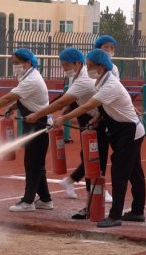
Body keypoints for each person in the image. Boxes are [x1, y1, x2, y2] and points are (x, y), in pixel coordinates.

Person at [52, 49, 146, 227]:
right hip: (120, 129)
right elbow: (103, 107)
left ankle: (115, 215)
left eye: (90, 66)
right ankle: (137, 211)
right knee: (134, 173)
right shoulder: (100, 82)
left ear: (102, 66)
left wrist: (64, 118)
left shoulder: (109, 84)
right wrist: (96, 118)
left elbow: (89, 104)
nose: (87, 70)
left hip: (130, 131)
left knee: (120, 173)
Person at [25, 47, 112, 218]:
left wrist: (38, 115)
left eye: (66, 65)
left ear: (78, 63)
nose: (64, 68)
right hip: (93, 120)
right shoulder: (76, 77)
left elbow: (61, 103)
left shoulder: (84, 79)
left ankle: (96, 207)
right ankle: (92, 206)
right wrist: (62, 116)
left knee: (95, 164)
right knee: (89, 161)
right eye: (62, 65)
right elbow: (72, 102)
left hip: (104, 123)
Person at [0, 48, 53, 212]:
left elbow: (8, 97)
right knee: (37, 163)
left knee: (32, 164)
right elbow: (20, 99)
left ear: (27, 63)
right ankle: (46, 200)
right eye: (13, 63)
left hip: (38, 124)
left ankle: (28, 202)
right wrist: (13, 107)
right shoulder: (27, 76)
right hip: (33, 124)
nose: (14, 66)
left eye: (16, 63)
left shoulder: (31, 80)